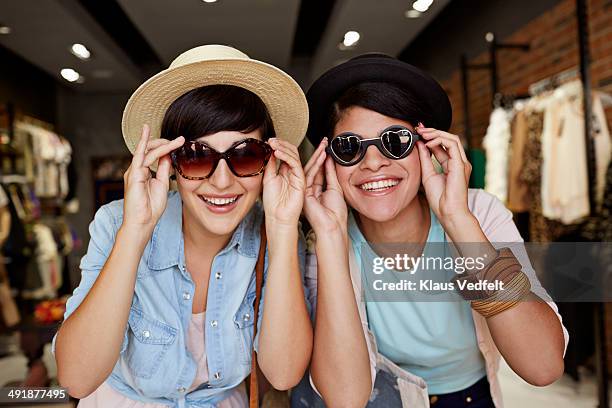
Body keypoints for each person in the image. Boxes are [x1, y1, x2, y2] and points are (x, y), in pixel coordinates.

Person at [296, 54, 568, 407]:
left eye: (395, 141)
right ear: (329, 161)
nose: (374, 162)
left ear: (426, 148)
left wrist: (458, 220)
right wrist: (331, 239)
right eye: (349, 148)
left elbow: (543, 366)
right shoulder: (324, 237)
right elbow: (345, 398)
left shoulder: (479, 213)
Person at [52, 45, 313, 407]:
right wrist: (135, 231)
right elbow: (76, 378)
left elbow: (283, 374)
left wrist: (284, 231)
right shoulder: (116, 223)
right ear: (170, 164)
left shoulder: (277, 232)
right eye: (196, 156)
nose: (222, 182)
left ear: (270, 162)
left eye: (245, 154)